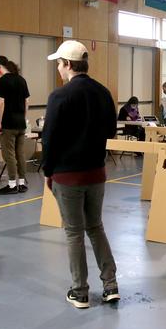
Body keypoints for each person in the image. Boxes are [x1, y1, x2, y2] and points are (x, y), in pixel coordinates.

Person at [42, 40, 119, 309]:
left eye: (59, 64)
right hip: (96, 172)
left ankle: (80, 291)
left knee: (74, 233)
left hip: (67, 175)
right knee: (96, 227)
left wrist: (47, 171)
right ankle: (110, 285)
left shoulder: (59, 96)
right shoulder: (103, 92)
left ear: (68, 64)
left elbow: (49, 138)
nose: (59, 69)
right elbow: (111, 131)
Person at [0, 55, 30, 195]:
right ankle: (21, 184)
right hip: (21, 124)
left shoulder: (2, 81)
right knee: (20, 153)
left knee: (9, 155)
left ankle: (12, 185)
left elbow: (0, 102)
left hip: (8, 124)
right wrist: (23, 119)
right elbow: (27, 102)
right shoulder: (21, 80)